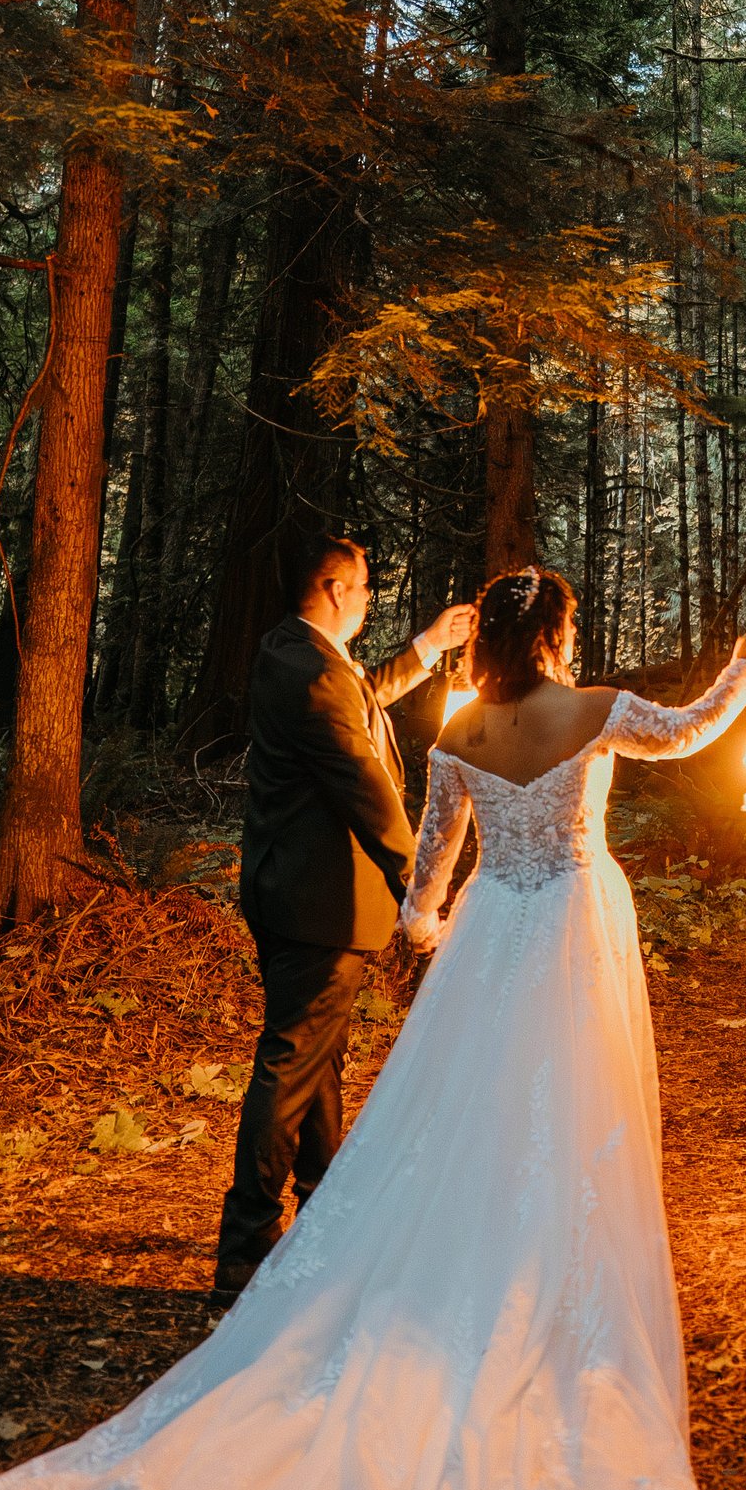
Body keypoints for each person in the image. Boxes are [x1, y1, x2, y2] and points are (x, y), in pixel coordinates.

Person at [0, 569, 746, 1490]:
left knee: (458, 1125)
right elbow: (690, 732)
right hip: (571, 934)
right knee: (571, 1118)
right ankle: (546, 1298)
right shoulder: (596, 711)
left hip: (490, 940)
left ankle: (440, 1282)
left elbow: (424, 895)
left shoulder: (456, 733)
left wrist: (430, 932)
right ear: (555, 636)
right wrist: (745, 672)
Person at [215, 533, 476, 1302]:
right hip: (318, 901)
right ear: (333, 589)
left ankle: (325, 1214)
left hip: (289, 890)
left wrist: (428, 647)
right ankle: (247, 1247)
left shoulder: (294, 653)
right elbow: (368, 792)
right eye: (363, 588)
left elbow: (362, 694)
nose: (369, 599)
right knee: (293, 1063)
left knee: (316, 1062)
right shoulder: (314, 678)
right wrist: (423, 887)